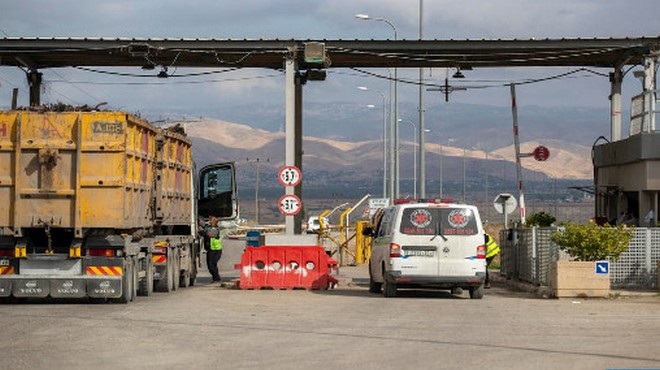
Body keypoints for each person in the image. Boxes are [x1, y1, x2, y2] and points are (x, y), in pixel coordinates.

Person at [201, 216, 223, 284]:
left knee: (212, 265)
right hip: (210, 250)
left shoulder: (216, 229)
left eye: (211, 220)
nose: (210, 221)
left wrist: (202, 232)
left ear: (215, 222)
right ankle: (215, 278)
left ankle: (217, 279)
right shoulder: (209, 227)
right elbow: (203, 225)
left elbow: (209, 234)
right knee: (210, 266)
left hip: (216, 250)